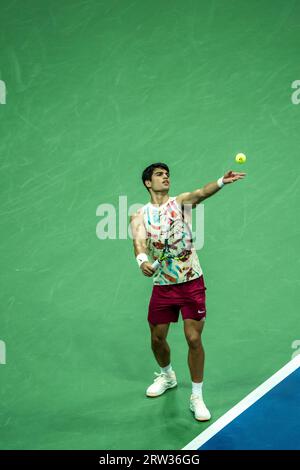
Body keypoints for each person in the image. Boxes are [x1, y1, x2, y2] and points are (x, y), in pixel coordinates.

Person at [130, 163, 246, 421]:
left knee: (193, 339)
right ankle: (168, 375)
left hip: (191, 281)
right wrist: (142, 261)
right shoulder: (139, 215)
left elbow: (200, 193)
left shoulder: (179, 203)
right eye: (159, 175)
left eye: (167, 174)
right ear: (148, 183)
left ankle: (196, 395)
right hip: (162, 285)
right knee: (157, 338)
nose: (165, 177)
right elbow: (138, 242)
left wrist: (221, 181)